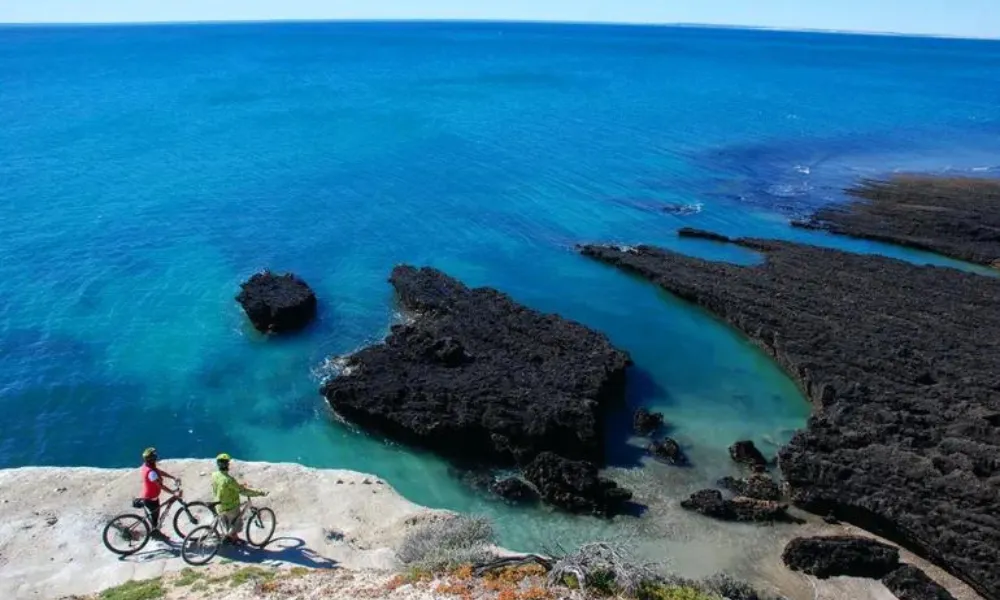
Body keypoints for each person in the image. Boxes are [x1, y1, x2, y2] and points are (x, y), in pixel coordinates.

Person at [211, 453, 267, 545]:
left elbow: (227, 487)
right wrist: (260, 492)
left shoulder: (214, 475)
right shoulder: (228, 480)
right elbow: (243, 491)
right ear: (227, 465)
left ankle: (230, 536)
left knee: (227, 522)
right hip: (229, 507)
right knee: (236, 521)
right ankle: (234, 539)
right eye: (228, 463)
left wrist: (238, 485)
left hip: (218, 505)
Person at [138, 447, 179, 540]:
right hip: (150, 499)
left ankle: (155, 531)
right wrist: (173, 492)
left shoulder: (147, 467)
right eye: (154, 456)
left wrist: (172, 477)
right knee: (155, 519)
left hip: (150, 497)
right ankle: (156, 534)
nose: (156, 457)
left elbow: (159, 472)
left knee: (155, 517)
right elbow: (161, 486)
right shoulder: (151, 473)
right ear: (151, 459)